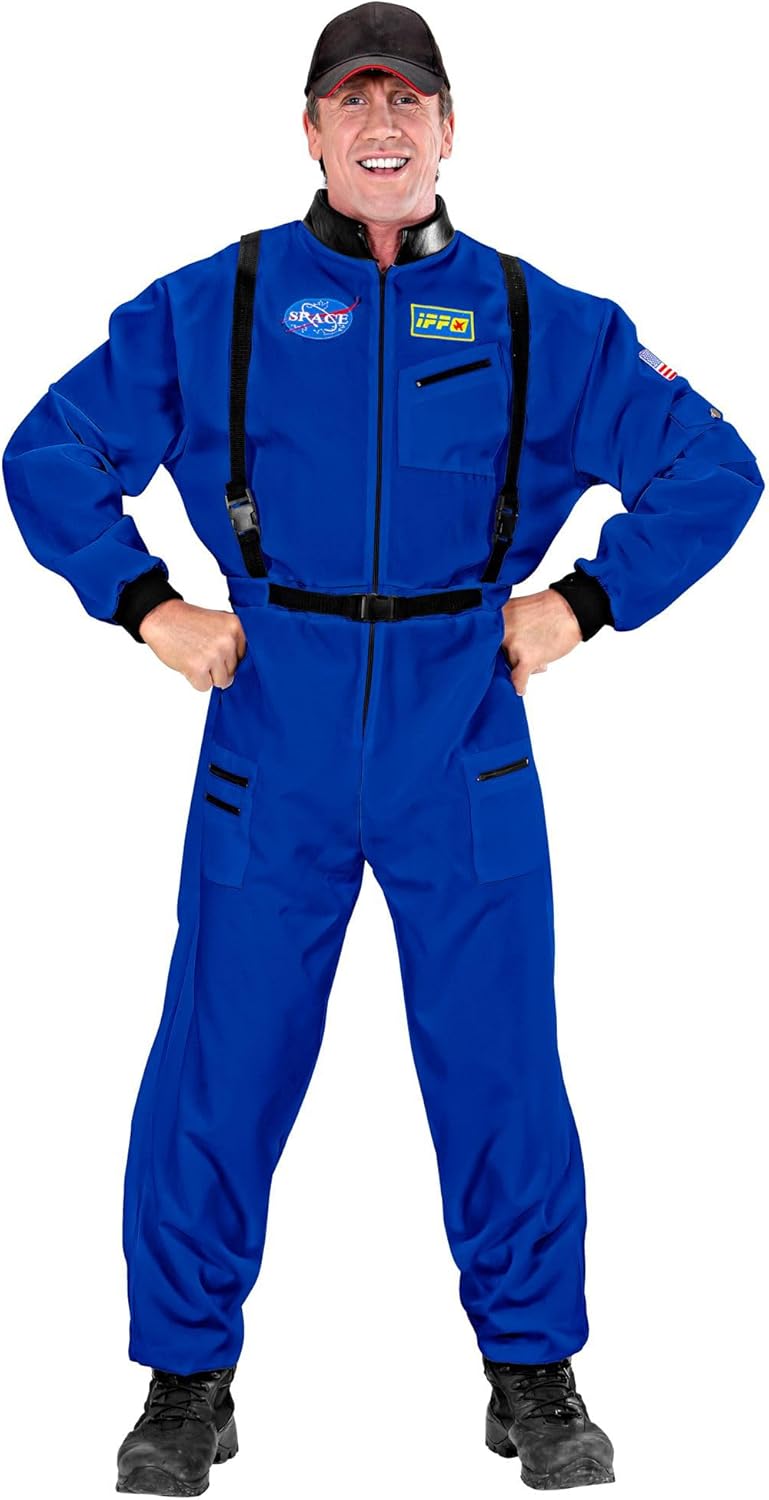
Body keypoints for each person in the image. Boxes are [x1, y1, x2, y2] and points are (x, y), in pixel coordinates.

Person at [2, 2, 763, 1493]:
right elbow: (49, 450)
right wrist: (146, 604)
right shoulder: (218, 304)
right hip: (270, 727)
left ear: (449, 129)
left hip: (459, 731)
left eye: (407, 100)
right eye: (351, 101)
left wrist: (585, 603)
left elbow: (714, 466)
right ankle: (185, 1379)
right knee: (221, 1058)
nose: (381, 124)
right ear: (310, 133)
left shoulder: (536, 319)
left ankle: (531, 1371)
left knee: (498, 1059)